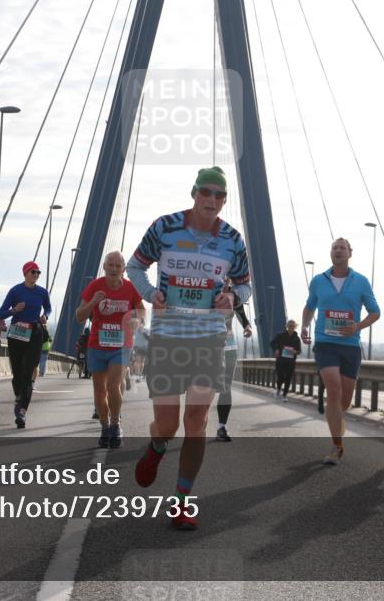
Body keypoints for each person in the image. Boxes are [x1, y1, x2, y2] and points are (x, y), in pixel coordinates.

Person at [127, 166, 251, 530]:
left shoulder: (233, 239)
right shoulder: (164, 228)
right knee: (166, 425)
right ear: (194, 193)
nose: (212, 200)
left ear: (224, 201)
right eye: (206, 192)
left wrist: (231, 294)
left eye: (219, 196)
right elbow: (136, 267)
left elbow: (246, 285)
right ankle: (156, 447)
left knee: (196, 421)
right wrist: (151, 294)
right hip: (167, 337)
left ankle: (181, 501)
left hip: (210, 339)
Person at [301, 238, 380, 465]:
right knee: (333, 391)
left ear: (349, 253)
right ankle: (337, 446)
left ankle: (337, 420)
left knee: (344, 399)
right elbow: (309, 306)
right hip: (325, 343)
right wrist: (305, 326)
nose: (338, 251)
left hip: (351, 346)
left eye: (342, 248)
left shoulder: (361, 282)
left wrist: (357, 326)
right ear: (331, 253)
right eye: (334, 247)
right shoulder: (318, 281)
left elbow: (375, 312)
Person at [76, 250, 145, 448]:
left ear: (123, 269)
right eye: (111, 265)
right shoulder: (94, 286)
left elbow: (142, 311)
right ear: (104, 267)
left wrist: (138, 321)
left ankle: (115, 425)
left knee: (113, 385)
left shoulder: (130, 288)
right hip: (97, 345)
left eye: (118, 266)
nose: (114, 269)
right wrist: (92, 303)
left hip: (121, 345)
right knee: (99, 392)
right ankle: (105, 426)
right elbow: (79, 316)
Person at [0, 261, 52, 428]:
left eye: (38, 272)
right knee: (18, 373)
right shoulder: (15, 291)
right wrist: (14, 310)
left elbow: (48, 308)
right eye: (33, 272)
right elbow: (1, 313)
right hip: (16, 333)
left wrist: (45, 316)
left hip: (35, 333)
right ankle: (19, 397)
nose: (36, 275)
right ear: (25, 273)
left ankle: (22, 411)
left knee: (28, 372)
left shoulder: (42, 292)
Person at [216, 287, 252, 442]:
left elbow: (242, 315)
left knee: (226, 387)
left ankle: (221, 426)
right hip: (206, 347)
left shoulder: (233, 295)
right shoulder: (207, 287)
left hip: (229, 347)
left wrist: (247, 327)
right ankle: (195, 424)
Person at [271, 320, 302, 402]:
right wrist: (276, 349)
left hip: (291, 361)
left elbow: (299, 350)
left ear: (295, 327)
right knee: (280, 377)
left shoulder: (297, 338)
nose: (291, 327)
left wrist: (296, 352)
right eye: (290, 325)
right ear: (287, 326)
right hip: (280, 360)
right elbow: (272, 343)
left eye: (293, 326)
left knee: (288, 378)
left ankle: (284, 395)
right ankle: (278, 389)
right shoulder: (280, 335)